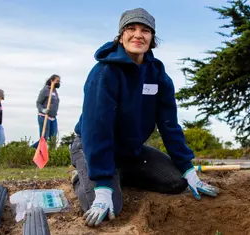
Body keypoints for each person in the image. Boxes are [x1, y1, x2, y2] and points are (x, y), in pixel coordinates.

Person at [69, 7, 219, 227]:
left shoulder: (158, 76)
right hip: (92, 146)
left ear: (152, 39)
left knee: (176, 182)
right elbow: (96, 129)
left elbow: (169, 124)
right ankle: (83, 176)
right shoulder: (104, 73)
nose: (138, 34)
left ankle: (119, 174)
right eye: (131, 28)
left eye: (145, 30)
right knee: (111, 208)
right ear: (121, 36)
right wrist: (102, 184)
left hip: (130, 152)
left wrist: (188, 168)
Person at [32, 74, 61, 148]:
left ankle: (52, 156)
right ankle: (31, 149)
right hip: (44, 117)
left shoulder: (55, 91)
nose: (59, 82)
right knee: (44, 138)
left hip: (53, 118)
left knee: (53, 139)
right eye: (57, 81)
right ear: (52, 80)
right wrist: (42, 110)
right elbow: (38, 103)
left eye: (59, 81)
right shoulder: (45, 90)